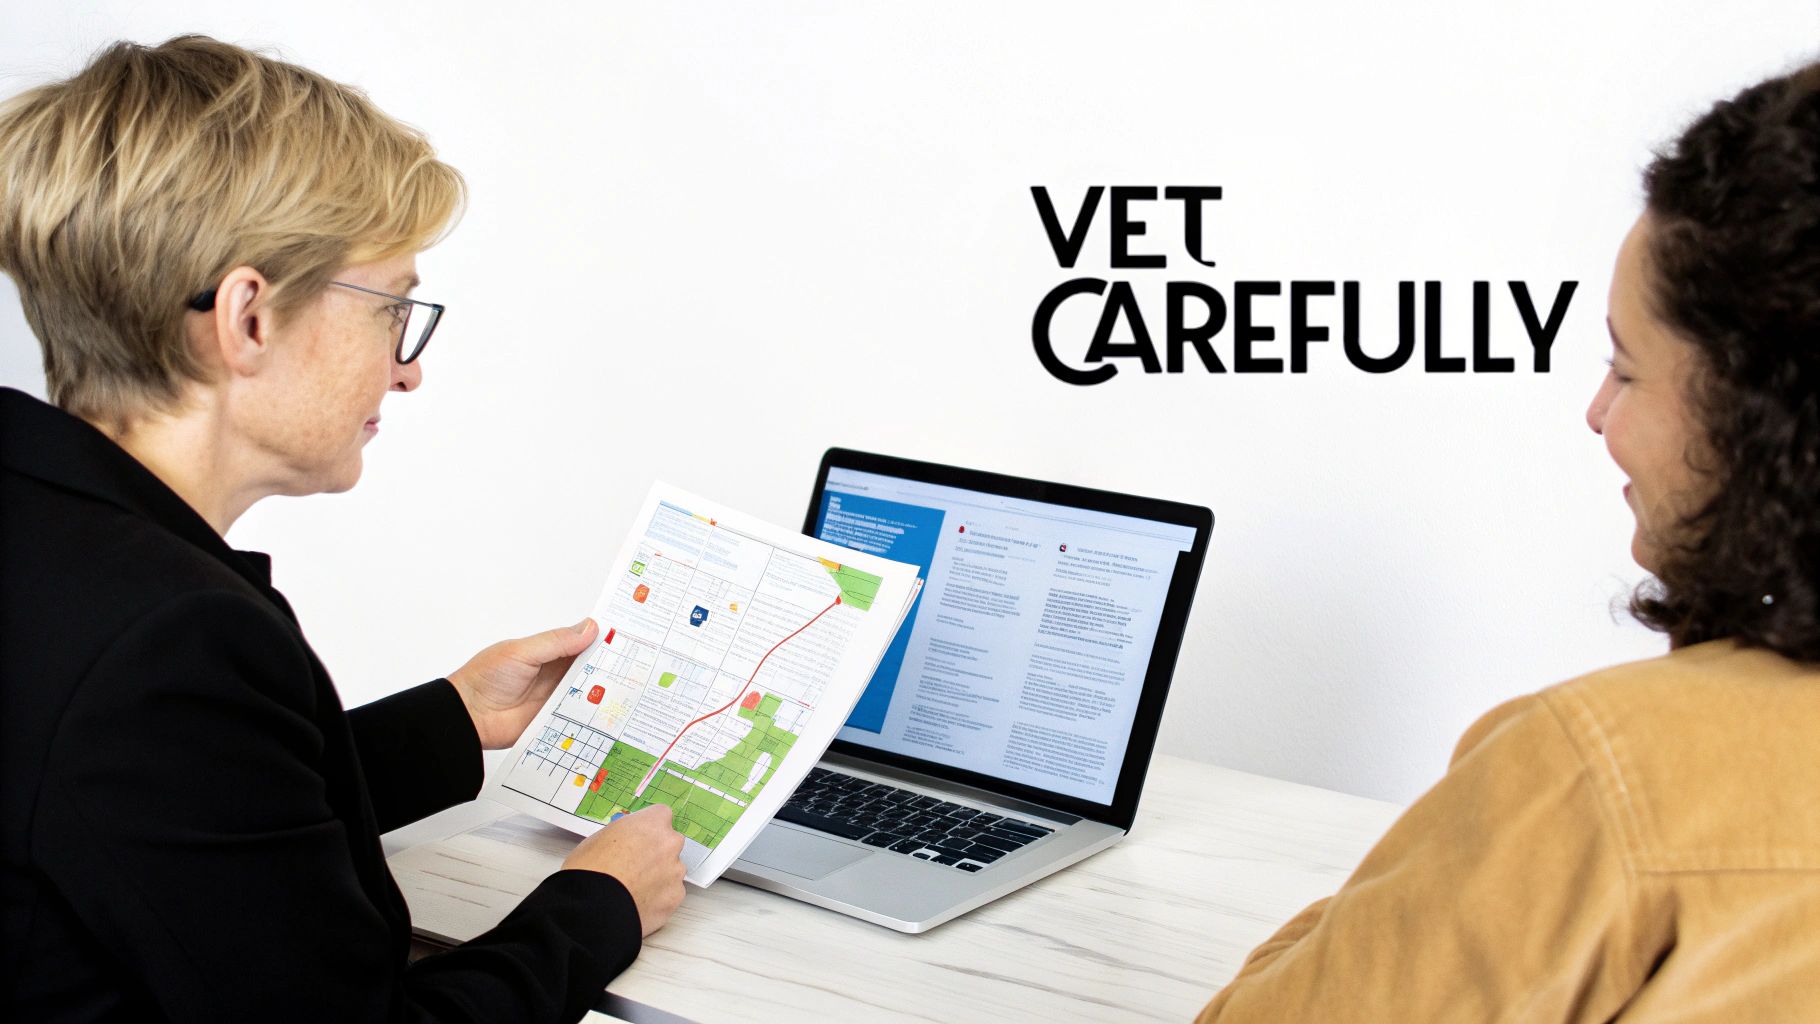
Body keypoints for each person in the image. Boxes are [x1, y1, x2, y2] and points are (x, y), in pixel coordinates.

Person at [0, 36, 687, 1022]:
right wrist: (598, 904)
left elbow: (179, 818)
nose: (406, 370)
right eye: (390, 310)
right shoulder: (168, 642)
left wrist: (451, 717)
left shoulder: (48, 539)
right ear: (248, 318)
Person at [1196, 60, 1820, 1020]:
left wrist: (1422, 876)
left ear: (1759, 418)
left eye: (1626, 367)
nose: (1597, 412)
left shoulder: (1602, 773)